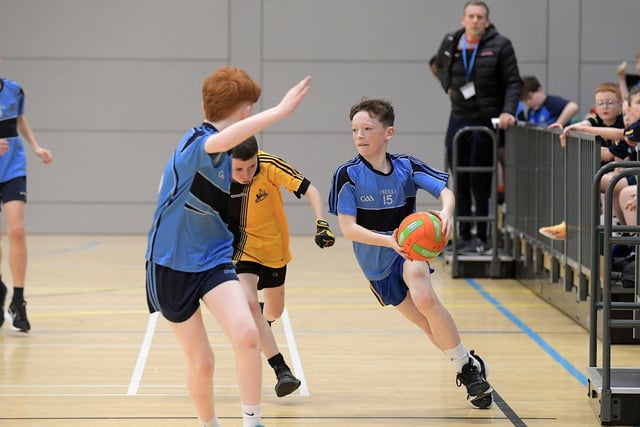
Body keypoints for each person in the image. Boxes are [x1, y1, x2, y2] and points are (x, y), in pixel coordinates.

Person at [145, 66, 310, 427]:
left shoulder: (229, 155)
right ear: (242, 110)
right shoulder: (195, 144)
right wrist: (280, 112)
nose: (251, 113)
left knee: (248, 334)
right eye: (249, 107)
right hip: (170, 264)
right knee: (202, 361)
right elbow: (216, 141)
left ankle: (252, 421)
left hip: (213, 257)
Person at [328, 98, 493, 409]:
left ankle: (469, 375)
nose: (360, 135)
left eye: (367, 129)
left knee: (427, 298)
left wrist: (446, 212)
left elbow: (445, 191)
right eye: (354, 130)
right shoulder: (347, 175)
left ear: (388, 132)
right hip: (376, 262)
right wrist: (388, 240)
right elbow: (348, 229)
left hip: (409, 252)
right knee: (425, 323)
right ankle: (466, 362)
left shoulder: (406, 166)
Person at [228, 136, 334, 398]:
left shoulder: (269, 165)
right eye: (238, 169)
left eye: (250, 167)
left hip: (274, 252)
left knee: (274, 311)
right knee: (250, 303)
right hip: (241, 251)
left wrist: (321, 222)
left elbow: (311, 190)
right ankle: (281, 369)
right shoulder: (215, 173)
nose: (246, 174)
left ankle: (263, 323)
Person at [435, 0, 522, 253]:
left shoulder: (500, 45)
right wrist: (449, 88)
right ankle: (461, 236)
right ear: (463, 19)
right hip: (458, 117)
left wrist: (508, 111)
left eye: (480, 17)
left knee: (480, 180)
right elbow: (437, 64)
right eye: (471, 16)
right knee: (458, 176)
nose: (475, 20)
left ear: (487, 21)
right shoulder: (452, 41)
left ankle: (481, 238)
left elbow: (514, 82)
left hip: (485, 120)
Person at [0, 52, 54, 333]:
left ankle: (18, 300)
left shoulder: (13, 89)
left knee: (17, 229)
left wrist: (35, 146)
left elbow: (19, 120)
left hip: (12, 168)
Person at [540, 83, 628, 240]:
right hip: (606, 173)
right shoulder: (595, 119)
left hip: (622, 174)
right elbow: (584, 124)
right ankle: (572, 225)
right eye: (600, 103)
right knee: (581, 179)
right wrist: (567, 128)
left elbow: (609, 155)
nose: (605, 107)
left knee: (596, 180)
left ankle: (611, 229)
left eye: (610, 102)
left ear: (620, 104)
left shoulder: (623, 124)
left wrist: (580, 141)